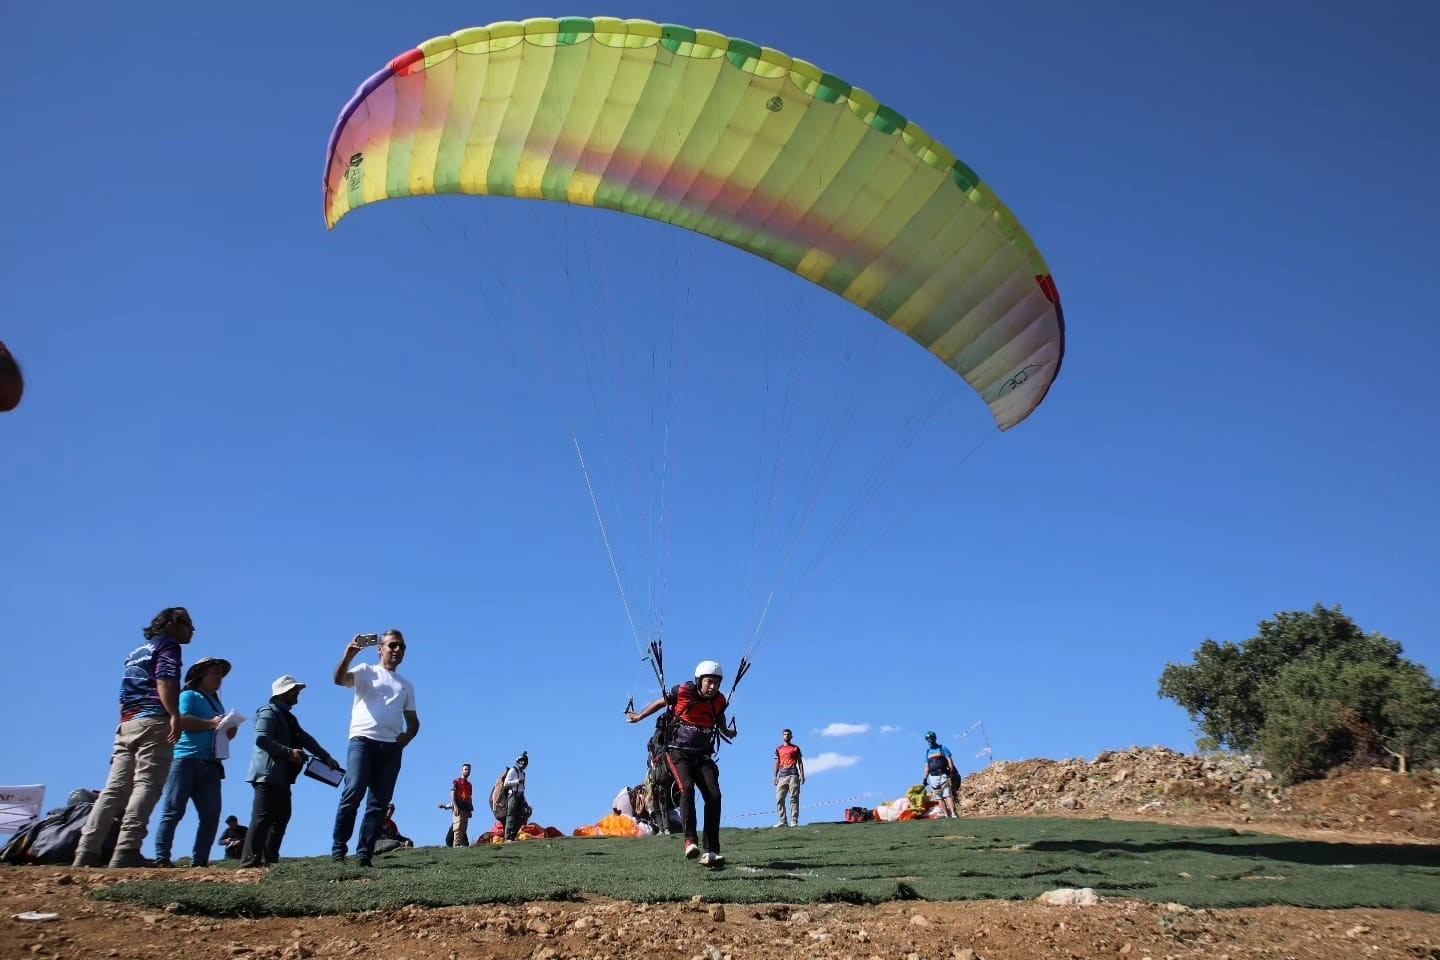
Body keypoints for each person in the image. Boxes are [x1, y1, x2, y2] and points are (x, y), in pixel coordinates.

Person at [74, 607, 195, 868]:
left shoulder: (135, 653)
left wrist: (125, 721)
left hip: (127, 722)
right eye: (187, 623)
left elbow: (123, 693)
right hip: (154, 720)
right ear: (171, 625)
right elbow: (165, 681)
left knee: (114, 790)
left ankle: (86, 850)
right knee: (147, 784)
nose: (192, 629)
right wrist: (174, 715)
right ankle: (127, 848)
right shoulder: (169, 647)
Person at [626, 659, 736, 867]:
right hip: (678, 753)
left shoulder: (719, 700)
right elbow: (662, 702)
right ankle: (690, 842)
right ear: (700, 680)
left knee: (714, 796)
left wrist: (727, 731)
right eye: (709, 681)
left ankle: (712, 851)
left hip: (702, 754)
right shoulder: (684, 692)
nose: (713, 686)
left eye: (717, 682)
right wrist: (640, 716)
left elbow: (719, 717)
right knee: (687, 788)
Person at [331, 630, 420, 867]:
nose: (398, 650)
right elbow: (339, 680)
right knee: (353, 792)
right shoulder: (365, 671)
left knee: (379, 804)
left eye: (402, 646)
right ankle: (339, 850)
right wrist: (348, 656)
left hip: (390, 749)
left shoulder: (406, 686)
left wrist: (404, 739)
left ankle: (364, 855)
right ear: (380, 649)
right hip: (362, 741)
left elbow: (413, 722)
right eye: (393, 645)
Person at [241, 675, 341, 868]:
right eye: (294, 691)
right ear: (284, 692)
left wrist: (326, 757)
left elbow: (304, 738)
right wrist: (288, 753)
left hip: (281, 776)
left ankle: (269, 861)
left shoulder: (287, 717)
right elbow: (261, 739)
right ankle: (249, 863)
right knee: (263, 817)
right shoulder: (269, 712)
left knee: (281, 817)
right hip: (268, 774)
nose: (297, 694)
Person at [153, 657, 234, 867]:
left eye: (221, 674)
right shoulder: (188, 695)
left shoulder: (217, 703)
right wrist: (212, 724)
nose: (219, 678)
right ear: (201, 675)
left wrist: (228, 730)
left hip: (211, 763)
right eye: (215, 673)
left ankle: (200, 861)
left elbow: (217, 731)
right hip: (186, 760)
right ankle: (162, 858)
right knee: (173, 810)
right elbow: (181, 720)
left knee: (211, 815)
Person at [922, 731, 961, 818]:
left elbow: (949, 760)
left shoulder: (942, 748)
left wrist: (951, 771)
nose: (930, 740)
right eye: (928, 739)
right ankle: (946, 814)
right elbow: (927, 766)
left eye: (931, 738)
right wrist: (925, 778)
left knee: (947, 794)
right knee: (939, 797)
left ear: (935, 738)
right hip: (932, 777)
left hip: (943, 774)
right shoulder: (928, 752)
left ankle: (953, 813)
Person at [773, 728, 806, 827]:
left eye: (788, 734)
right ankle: (783, 821)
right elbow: (777, 763)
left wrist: (802, 775)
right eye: (784, 734)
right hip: (782, 776)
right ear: (782, 736)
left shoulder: (795, 748)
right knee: (779, 799)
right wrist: (775, 776)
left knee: (794, 798)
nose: (786, 736)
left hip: (793, 775)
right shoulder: (779, 749)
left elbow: (800, 762)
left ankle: (794, 820)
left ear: (791, 736)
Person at [499, 753, 532, 842]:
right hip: (513, 796)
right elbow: (506, 783)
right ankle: (508, 837)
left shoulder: (523, 773)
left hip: (520, 796)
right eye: (521, 761)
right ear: (518, 761)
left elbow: (522, 788)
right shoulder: (513, 771)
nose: (523, 763)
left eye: (525, 762)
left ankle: (514, 836)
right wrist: (517, 781)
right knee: (511, 816)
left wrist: (524, 800)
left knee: (522, 816)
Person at [450, 763, 473, 847]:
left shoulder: (469, 785)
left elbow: (469, 797)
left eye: (469, 769)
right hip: (459, 807)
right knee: (458, 826)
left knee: (463, 828)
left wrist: (470, 810)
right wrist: (455, 806)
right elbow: (452, 794)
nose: (467, 771)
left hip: (466, 808)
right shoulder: (457, 781)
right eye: (465, 769)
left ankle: (459, 845)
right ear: (462, 771)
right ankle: (456, 845)